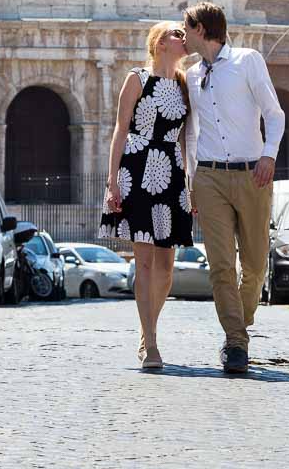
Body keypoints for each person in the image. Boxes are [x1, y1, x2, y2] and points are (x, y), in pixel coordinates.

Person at [183, 2, 285, 374]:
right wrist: (191, 179)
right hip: (209, 177)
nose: (183, 34)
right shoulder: (192, 75)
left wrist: (269, 156)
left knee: (255, 263)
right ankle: (236, 342)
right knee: (221, 265)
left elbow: (275, 114)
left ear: (203, 29)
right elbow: (192, 134)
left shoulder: (248, 61)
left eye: (187, 28)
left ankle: (238, 324)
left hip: (251, 174)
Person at [99, 21, 192, 370]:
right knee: (145, 261)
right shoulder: (136, 78)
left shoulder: (185, 84)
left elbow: (186, 138)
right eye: (176, 33)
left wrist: (190, 183)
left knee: (167, 267)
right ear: (159, 42)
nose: (183, 38)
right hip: (137, 167)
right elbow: (120, 130)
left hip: (171, 170)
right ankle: (150, 342)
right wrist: (112, 180)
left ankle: (146, 329)